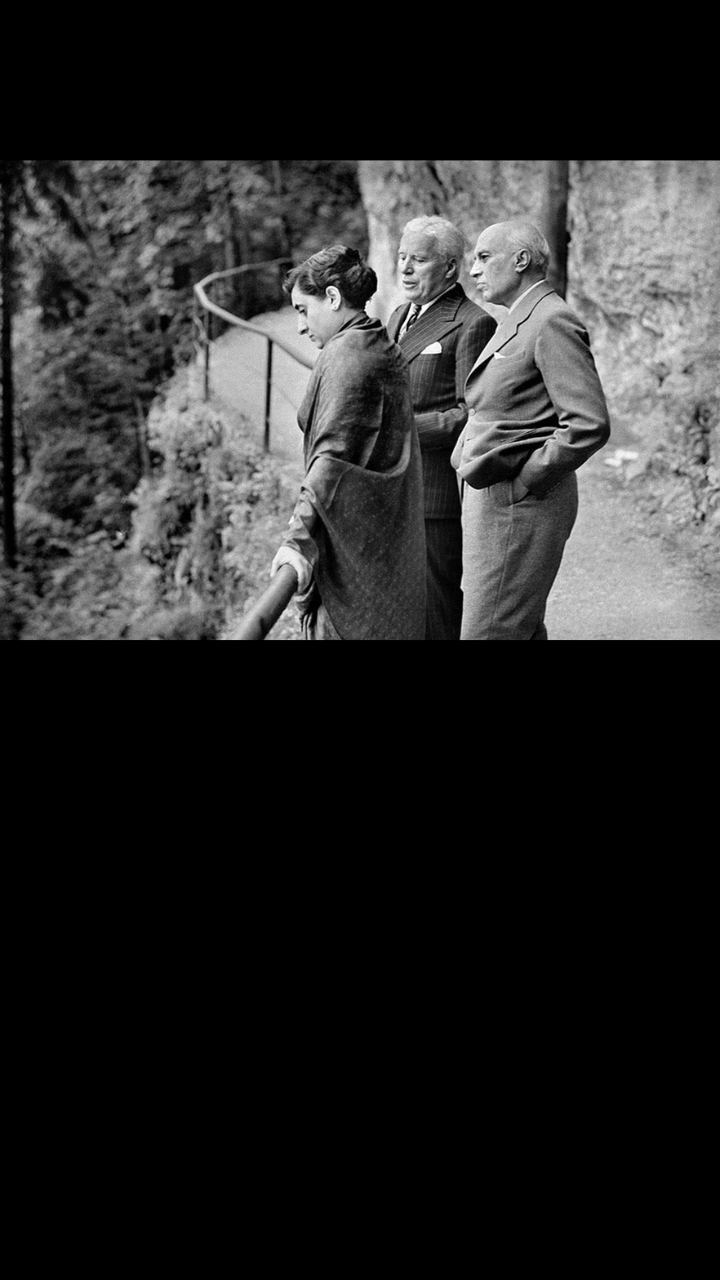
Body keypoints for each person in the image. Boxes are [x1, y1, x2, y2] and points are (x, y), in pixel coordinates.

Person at [451, 218, 611, 641]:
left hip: (518, 504)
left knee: (490, 631)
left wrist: (528, 479)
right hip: (499, 503)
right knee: (515, 628)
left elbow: (587, 423)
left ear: (521, 260)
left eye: (484, 257)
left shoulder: (551, 320)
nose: (474, 270)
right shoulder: (519, 317)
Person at [270, 244, 426, 640]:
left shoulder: (348, 357)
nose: (301, 327)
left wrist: (298, 537)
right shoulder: (376, 341)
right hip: (384, 537)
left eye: (303, 310)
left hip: (356, 550)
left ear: (334, 298)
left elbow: (332, 458)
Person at [387, 216, 496, 640]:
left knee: (438, 608)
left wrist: (398, 430)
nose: (406, 269)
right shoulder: (398, 315)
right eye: (402, 258)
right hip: (393, 488)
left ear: (450, 267)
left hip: (434, 495)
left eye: (418, 260)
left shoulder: (473, 322)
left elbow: (470, 414)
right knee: (400, 605)